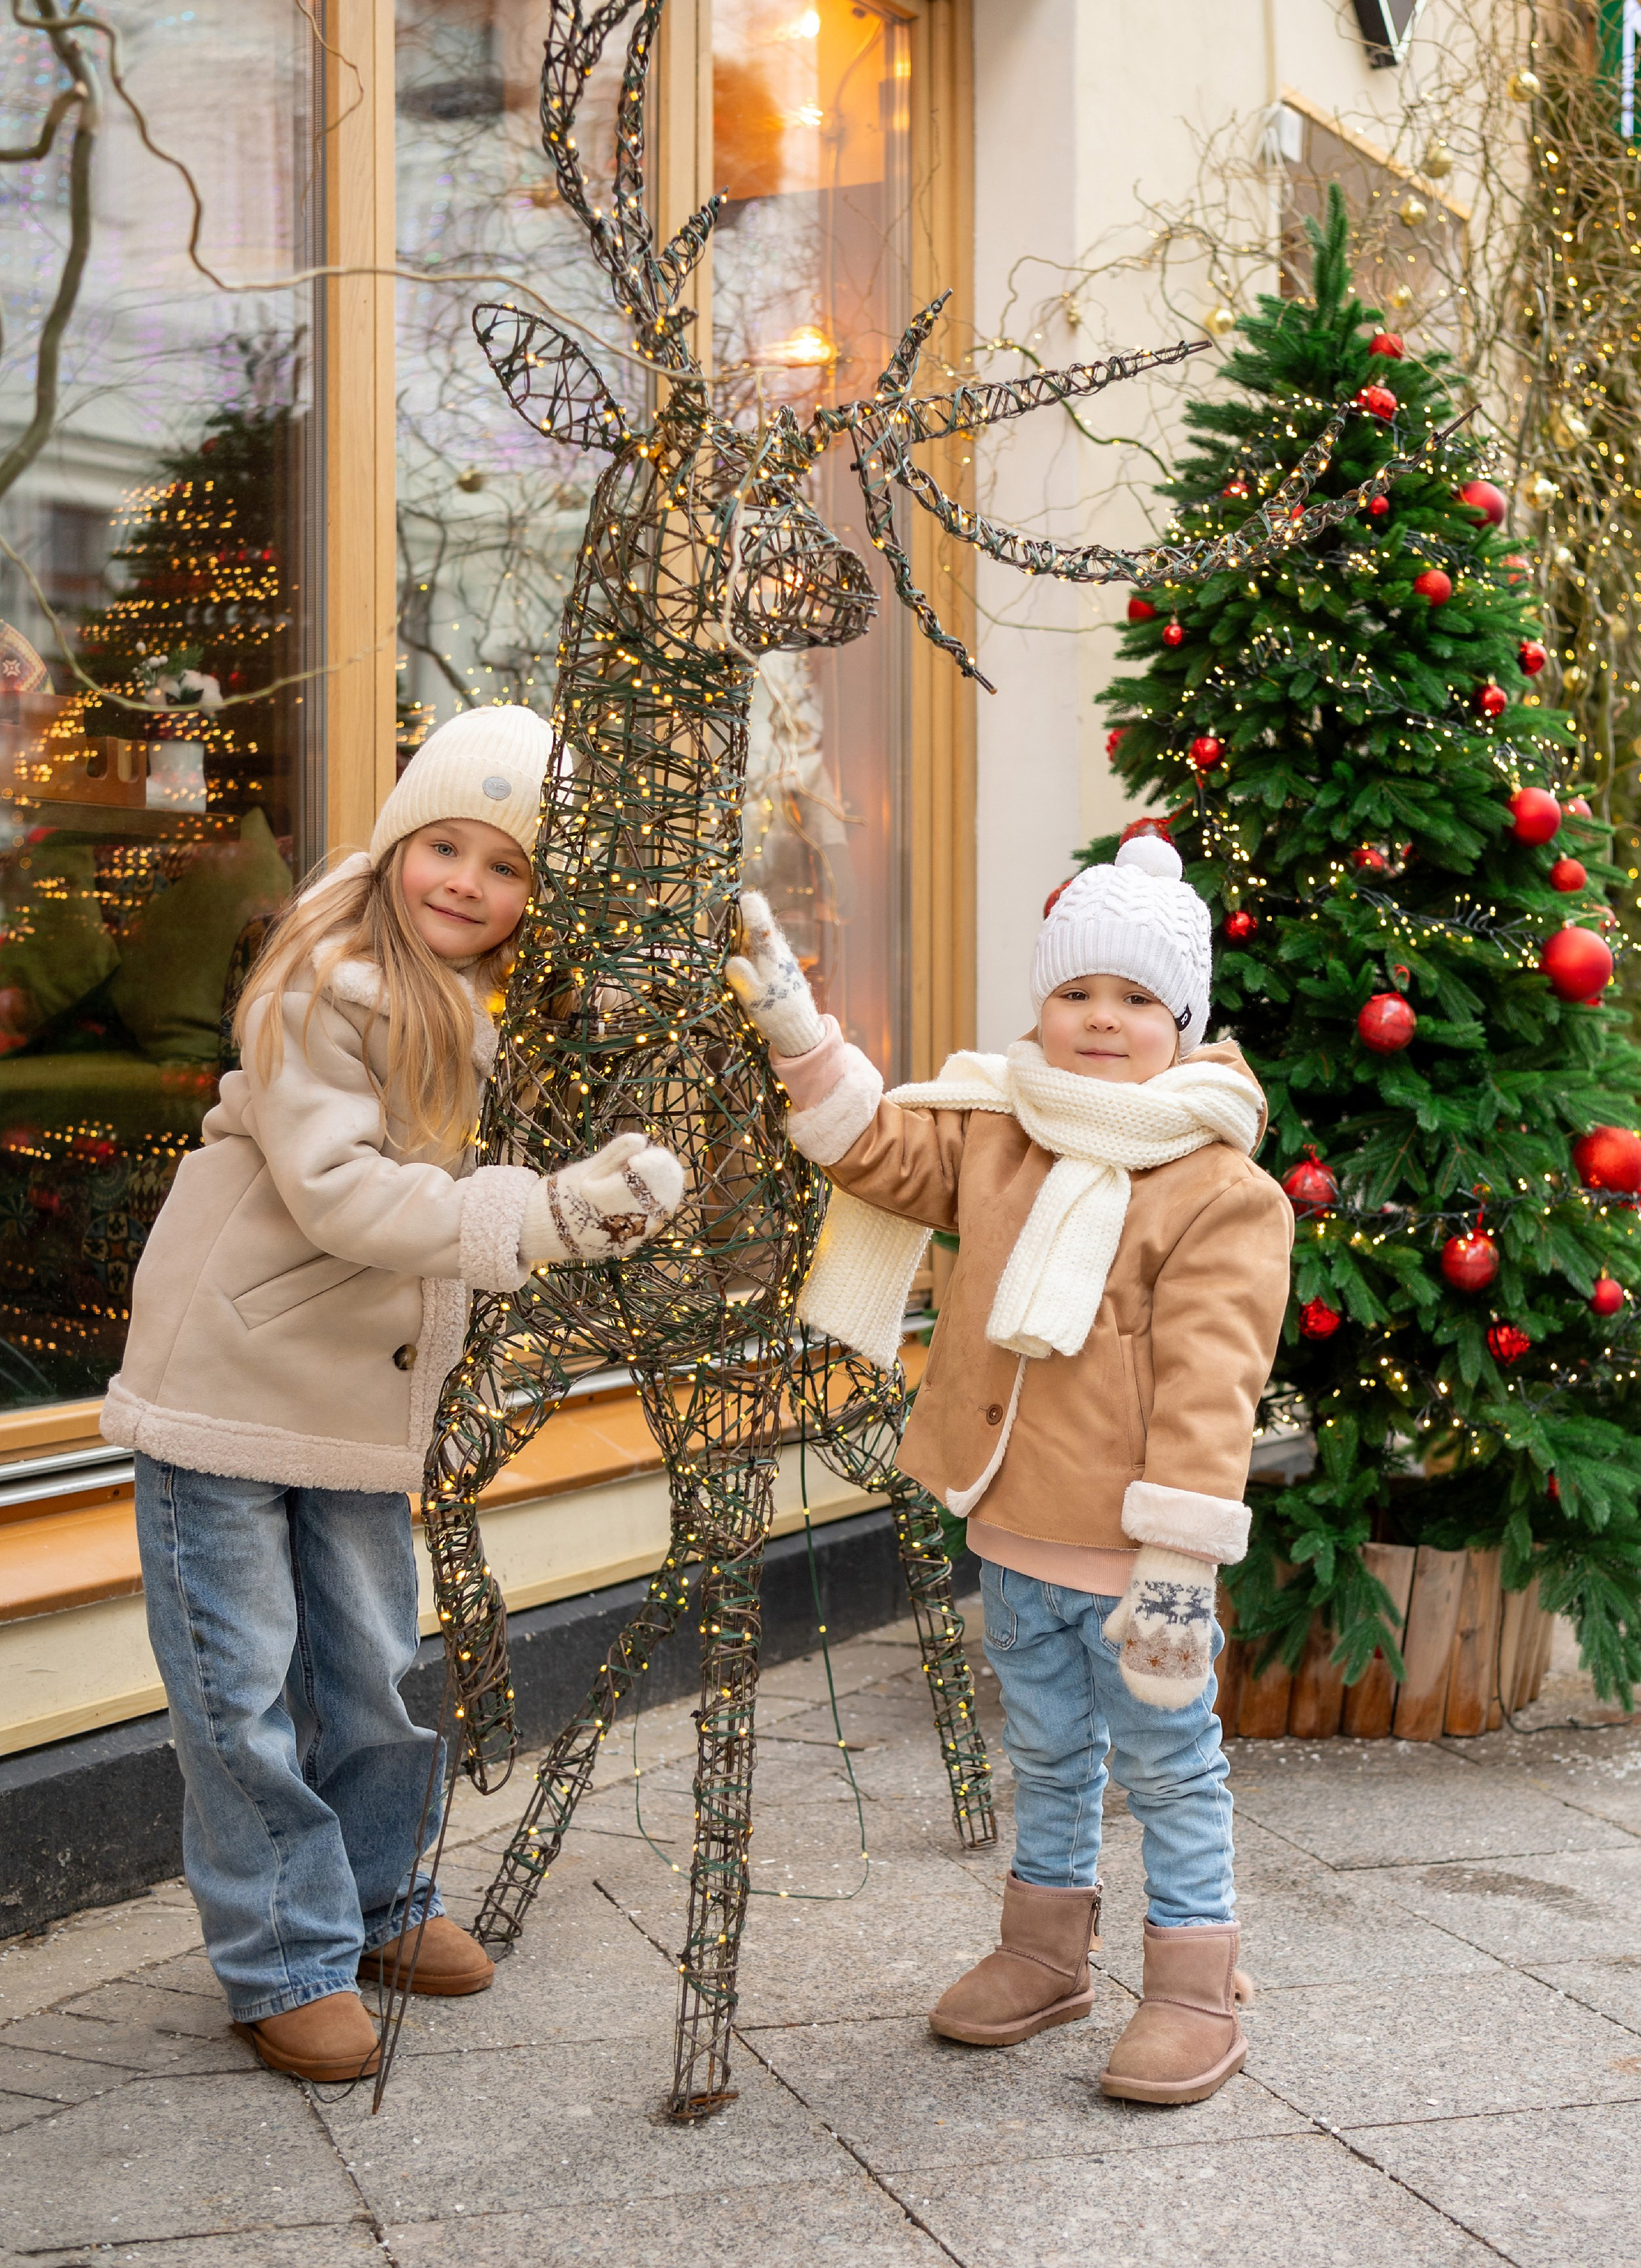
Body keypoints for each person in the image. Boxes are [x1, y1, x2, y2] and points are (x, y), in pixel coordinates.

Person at [105, 706, 687, 2083]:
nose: (465, 883)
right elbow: (342, 1192)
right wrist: (541, 1213)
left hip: (356, 1408)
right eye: (443, 845)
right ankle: (282, 1956)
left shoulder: (477, 1005)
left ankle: (374, 1901)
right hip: (230, 1390)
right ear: (395, 842)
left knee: (367, 1671)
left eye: (505, 866)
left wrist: (608, 1193)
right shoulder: (325, 982)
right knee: (239, 1690)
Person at [726, 835, 1292, 2105]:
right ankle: (1045, 1951)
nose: (1102, 1019)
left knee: (1167, 1769)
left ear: (1182, 1021)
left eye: (1136, 999)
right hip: (1010, 1531)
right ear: (1040, 1002)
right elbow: (869, 1147)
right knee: (1043, 1755)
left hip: (1132, 1559)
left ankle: (1196, 1984)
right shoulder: (996, 1132)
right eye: (1077, 991)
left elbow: (1212, 1389)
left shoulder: (1218, 1189)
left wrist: (1175, 1571)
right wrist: (795, 1026)